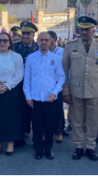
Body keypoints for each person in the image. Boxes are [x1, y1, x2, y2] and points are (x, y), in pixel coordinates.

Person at [62, 16, 98, 161]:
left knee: (93, 120)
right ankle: (78, 146)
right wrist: (65, 92)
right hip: (75, 90)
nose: (84, 32)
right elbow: (64, 71)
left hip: (95, 91)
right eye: (81, 29)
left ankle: (90, 147)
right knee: (76, 120)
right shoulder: (70, 46)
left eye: (87, 29)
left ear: (93, 29)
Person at [24, 32, 65, 160]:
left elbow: (61, 77)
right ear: (37, 41)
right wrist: (28, 96)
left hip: (50, 98)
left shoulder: (56, 58)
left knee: (49, 124)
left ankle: (48, 148)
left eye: (46, 40)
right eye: (41, 40)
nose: (44, 42)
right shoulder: (31, 58)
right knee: (36, 124)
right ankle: (38, 147)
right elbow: (27, 79)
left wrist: (54, 92)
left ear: (50, 42)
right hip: (35, 98)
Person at [0, 32, 24, 156]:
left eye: (5, 40)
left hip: (11, 90)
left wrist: (7, 86)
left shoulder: (16, 57)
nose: (2, 43)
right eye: (0, 40)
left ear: (10, 43)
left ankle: (10, 142)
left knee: (11, 117)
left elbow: (19, 75)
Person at [14, 21, 39, 148]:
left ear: (33, 35)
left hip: (34, 86)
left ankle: (36, 139)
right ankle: (20, 137)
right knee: (19, 112)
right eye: (23, 33)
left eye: (28, 34)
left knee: (34, 113)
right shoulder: (14, 46)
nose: (24, 36)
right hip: (18, 85)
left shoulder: (39, 48)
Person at [48, 31, 69, 144]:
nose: (46, 41)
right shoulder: (42, 52)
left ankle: (58, 131)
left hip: (59, 84)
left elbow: (67, 69)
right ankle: (47, 131)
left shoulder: (62, 52)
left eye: (48, 38)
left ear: (54, 39)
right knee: (46, 109)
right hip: (47, 85)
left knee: (58, 109)